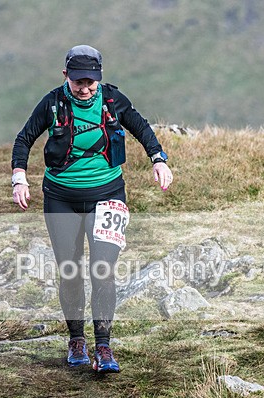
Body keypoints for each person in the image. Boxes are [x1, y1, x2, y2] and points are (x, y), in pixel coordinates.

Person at [11, 45, 174, 373]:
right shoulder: (53, 103)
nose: (85, 88)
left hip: (108, 196)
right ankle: (76, 340)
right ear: (65, 76)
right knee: (70, 270)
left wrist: (158, 159)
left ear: (99, 78)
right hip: (61, 198)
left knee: (103, 270)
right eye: (78, 82)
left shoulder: (113, 100)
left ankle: (104, 347)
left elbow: (141, 128)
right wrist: (19, 178)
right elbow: (24, 139)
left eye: (91, 82)